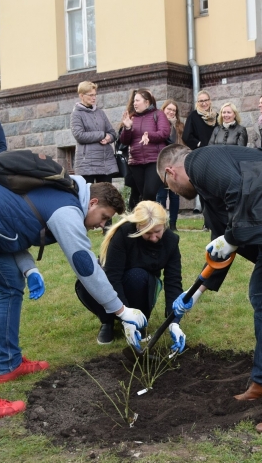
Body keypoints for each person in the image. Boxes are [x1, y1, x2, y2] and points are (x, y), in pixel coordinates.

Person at [0, 177, 153, 424]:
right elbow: (85, 265)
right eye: (103, 217)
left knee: (11, 285)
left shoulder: (62, 195)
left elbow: (11, 226)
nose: (101, 225)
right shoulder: (67, 209)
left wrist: (29, 269)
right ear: (92, 202)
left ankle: (9, 364)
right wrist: (121, 311)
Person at [157, 143, 262, 435]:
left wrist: (232, 237)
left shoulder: (199, 160)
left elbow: (240, 194)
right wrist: (192, 296)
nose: (172, 191)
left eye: (167, 185)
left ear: (171, 172)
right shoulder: (211, 193)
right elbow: (220, 252)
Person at [75, 201, 183, 347]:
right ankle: (107, 321)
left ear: (164, 225)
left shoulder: (171, 241)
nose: (153, 237)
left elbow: (173, 282)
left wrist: (174, 322)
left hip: (143, 287)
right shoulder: (123, 234)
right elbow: (113, 277)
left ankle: (140, 321)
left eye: (157, 231)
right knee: (86, 283)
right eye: (147, 233)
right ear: (137, 226)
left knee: (138, 276)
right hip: (113, 283)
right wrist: (124, 316)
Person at [119, 88, 171, 202]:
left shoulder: (158, 114)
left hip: (154, 160)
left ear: (146, 102)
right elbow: (124, 141)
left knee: (150, 192)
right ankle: (148, 213)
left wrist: (149, 136)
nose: (134, 103)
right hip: (136, 162)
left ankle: (149, 212)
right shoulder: (132, 117)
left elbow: (164, 132)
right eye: (134, 101)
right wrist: (127, 128)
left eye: (137, 100)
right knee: (144, 194)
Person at [70, 81, 119, 184]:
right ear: (81, 96)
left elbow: (112, 132)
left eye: (95, 95)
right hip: (86, 164)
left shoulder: (100, 113)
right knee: (88, 193)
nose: (94, 98)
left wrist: (109, 138)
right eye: (91, 95)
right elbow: (79, 135)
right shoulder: (76, 114)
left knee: (106, 192)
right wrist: (102, 135)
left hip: (105, 162)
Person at [182, 91, 217, 221]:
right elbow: (186, 136)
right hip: (201, 156)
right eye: (201, 101)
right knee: (204, 189)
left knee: (215, 188)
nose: (204, 103)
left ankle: (216, 218)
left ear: (210, 101)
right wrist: (199, 144)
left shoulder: (216, 117)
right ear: (198, 103)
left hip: (215, 156)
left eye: (206, 100)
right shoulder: (193, 116)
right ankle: (207, 220)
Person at [156, 100, 183, 231]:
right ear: (163, 109)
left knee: (174, 195)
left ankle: (173, 224)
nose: (171, 112)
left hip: (175, 163)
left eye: (174, 110)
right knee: (161, 194)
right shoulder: (158, 124)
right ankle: (161, 222)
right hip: (161, 163)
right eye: (169, 109)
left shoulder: (179, 126)